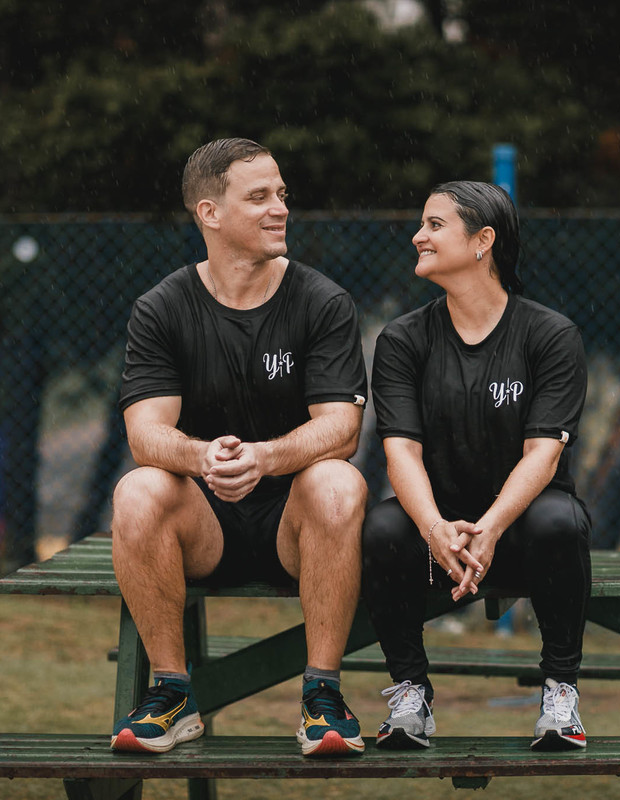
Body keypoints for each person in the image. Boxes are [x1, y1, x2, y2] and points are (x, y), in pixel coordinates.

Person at [110, 138, 369, 758]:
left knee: (338, 481)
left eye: (281, 194)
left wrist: (265, 458)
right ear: (210, 213)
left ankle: (322, 698)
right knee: (138, 489)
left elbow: (343, 427)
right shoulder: (162, 308)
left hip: (295, 525)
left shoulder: (322, 301)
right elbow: (144, 433)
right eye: (259, 197)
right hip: (206, 528)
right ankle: (172, 694)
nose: (280, 208)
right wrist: (202, 458)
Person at [362, 181, 592, 751]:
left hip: (520, 526)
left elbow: (543, 454)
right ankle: (410, 693)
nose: (418, 235)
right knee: (384, 528)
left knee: (559, 521)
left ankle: (560, 695)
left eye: (435, 225)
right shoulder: (402, 339)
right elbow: (401, 453)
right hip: (440, 531)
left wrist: (489, 527)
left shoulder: (550, 335)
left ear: (483, 240)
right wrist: (435, 527)